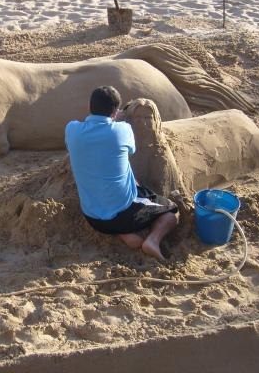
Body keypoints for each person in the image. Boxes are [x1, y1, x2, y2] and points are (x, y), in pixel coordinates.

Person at [65, 86, 179, 261]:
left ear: (89, 106)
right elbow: (131, 150)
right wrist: (118, 120)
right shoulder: (123, 129)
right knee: (171, 212)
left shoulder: (71, 129)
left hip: (92, 216)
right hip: (120, 215)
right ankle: (152, 241)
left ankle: (125, 234)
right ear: (115, 111)